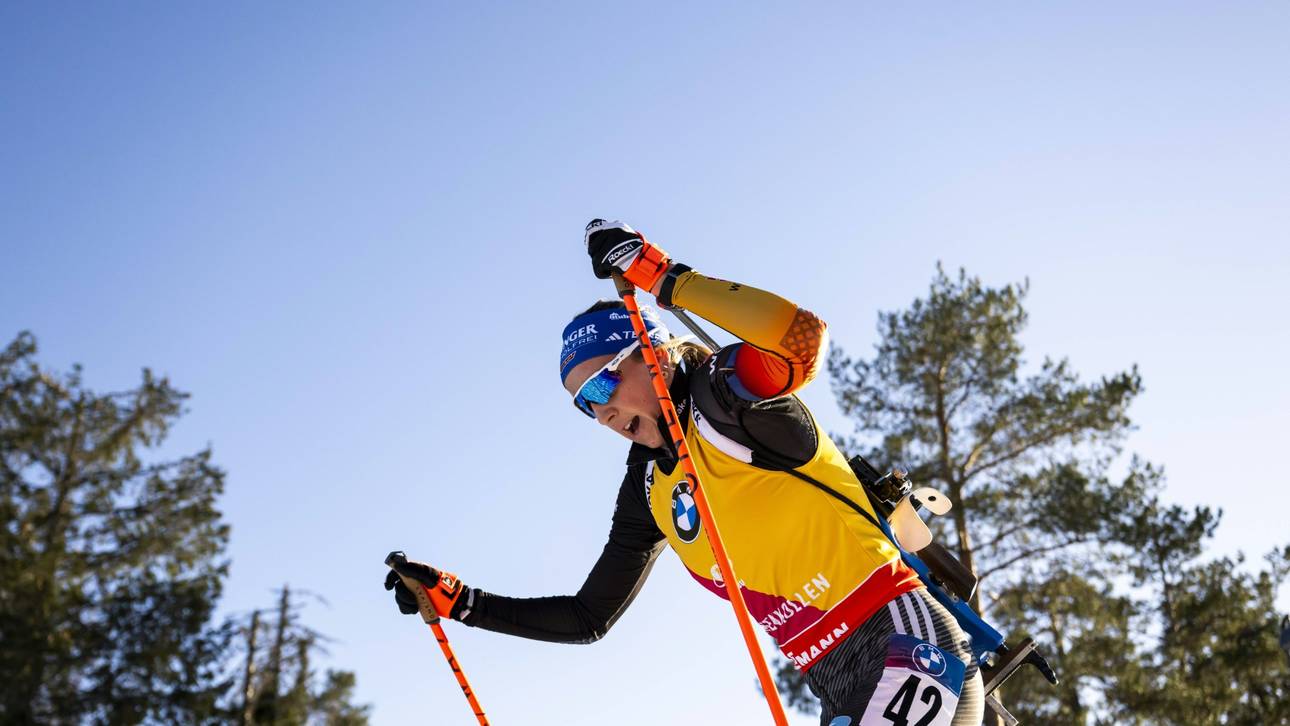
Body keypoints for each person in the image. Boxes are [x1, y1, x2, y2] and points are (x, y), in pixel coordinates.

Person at [385, 220, 985, 725]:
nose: (603, 412)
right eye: (584, 404)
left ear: (654, 351)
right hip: (834, 682)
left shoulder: (727, 399)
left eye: (603, 383)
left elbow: (799, 341)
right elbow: (589, 615)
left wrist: (661, 275)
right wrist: (462, 602)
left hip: (903, 638)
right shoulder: (649, 486)